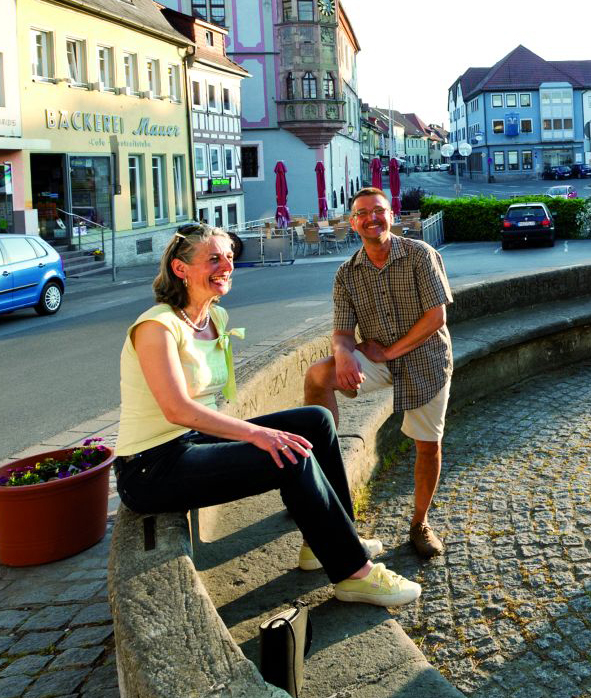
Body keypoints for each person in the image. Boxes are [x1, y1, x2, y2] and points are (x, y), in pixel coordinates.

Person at [114, 224, 420, 607]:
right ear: (180, 269)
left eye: (229, 256)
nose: (226, 265)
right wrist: (257, 436)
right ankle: (354, 574)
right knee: (289, 456)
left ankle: (324, 540)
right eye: (213, 258)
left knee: (315, 421)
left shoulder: (214, 319)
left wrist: (254, 434)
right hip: (152, 466)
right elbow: (177, 409)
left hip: (193, 443)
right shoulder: (157, 326)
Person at [304, 188, 453, 559]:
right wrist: (342, 354)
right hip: (379, 359)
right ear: (353, 223)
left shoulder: (420, 255)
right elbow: (341, 332)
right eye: (362, 213)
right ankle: (324, 476)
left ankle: (420, 522)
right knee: (317, 376)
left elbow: (437, 318)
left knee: (427, 444)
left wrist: (388, 351)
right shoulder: (346, 273)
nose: (372, 217)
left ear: (391, 215)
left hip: (426, 360)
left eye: (379, 210)